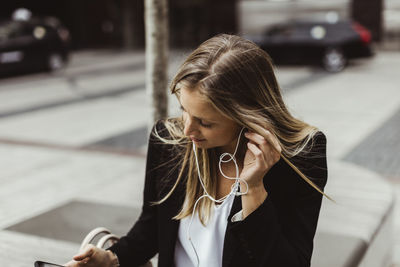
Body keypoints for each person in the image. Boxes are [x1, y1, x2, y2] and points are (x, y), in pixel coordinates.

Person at [66, 34, 328, 267]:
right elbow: (152, 227)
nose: (188, 130)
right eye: (183, 110)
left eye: (205, 122)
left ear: (247, 117)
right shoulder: (168, 140)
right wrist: (113, 258)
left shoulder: (301, 155)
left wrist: (254, 189)